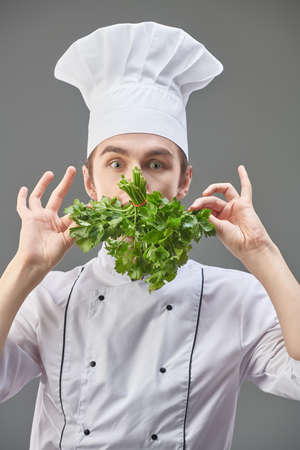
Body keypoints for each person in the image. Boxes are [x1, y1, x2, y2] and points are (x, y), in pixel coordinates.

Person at [1, 21, 300, 450]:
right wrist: (22, 270)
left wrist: (262, 252)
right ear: (90, 182)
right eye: (116, 164)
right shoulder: (49, 299)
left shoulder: (234, 299)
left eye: (156, 164)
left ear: (183, 182)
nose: (133, 184)